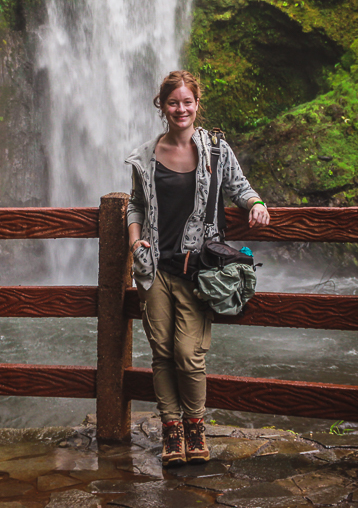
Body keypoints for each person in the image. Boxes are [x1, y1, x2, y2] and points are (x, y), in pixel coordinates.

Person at [124, 70, 270, 467]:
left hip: (197, 269)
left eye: (187, 102)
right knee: (161, 352)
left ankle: (195, 427)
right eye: (174, 102)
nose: (181, 109)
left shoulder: (216, 151)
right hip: (154, 269)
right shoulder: (146, 156)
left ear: (197, 105)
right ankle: (172, 433)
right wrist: (136, 238)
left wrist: (255, 203)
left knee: (188, 354)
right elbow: (135, 204)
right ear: (162, 106)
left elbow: (239, 186)